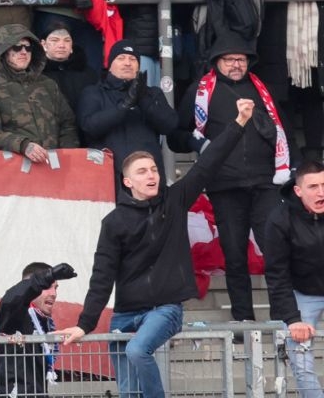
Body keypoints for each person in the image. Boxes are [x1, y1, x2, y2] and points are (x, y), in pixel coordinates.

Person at [59, 97, 256, 398]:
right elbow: (102, 277)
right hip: (125, 313)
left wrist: (240, 122)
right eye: (142, 171)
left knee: (138, 350)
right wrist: (85, 325)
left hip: (165, 309)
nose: (151, 175)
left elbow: (208, 163)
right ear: (127, 182)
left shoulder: (175, 200)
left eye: (154, 169)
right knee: (127, 388)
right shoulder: (114, 222)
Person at [195, 38, 292, 323]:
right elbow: (178, 132)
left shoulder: (264, 90)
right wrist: (200, 145)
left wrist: (294, 167)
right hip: (225, 186)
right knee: (235, 257)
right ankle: (243, 322)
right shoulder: (201, 91)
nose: (236, 64)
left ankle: (283, 319)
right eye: (229, 59)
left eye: (241, 59)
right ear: (217, 62)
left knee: (276, 252)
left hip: (266, 183)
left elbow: (284, 128)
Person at [0, 23, 80, 162]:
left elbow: (68, 124)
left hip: (54, 165)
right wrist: (23, 146)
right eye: (17, 47)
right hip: (12, 167)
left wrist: (66, 155)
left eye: (28, 47)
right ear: (3, 51)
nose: (23, 52)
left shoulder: (48, 84)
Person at [264, 160, 324, 398]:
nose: (321, 192)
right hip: (302, 293)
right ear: (298, 191)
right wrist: (292, 319)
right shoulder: (279, 219)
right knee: (300, 360)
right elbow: (276, 273)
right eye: (313, 187)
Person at [0, 261, 78, 398]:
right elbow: (11, 298)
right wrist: (48, 276)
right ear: (29, 285)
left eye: (56, 288)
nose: (54, 293)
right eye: (47, 287)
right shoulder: (15, 313)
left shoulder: (43, 320)